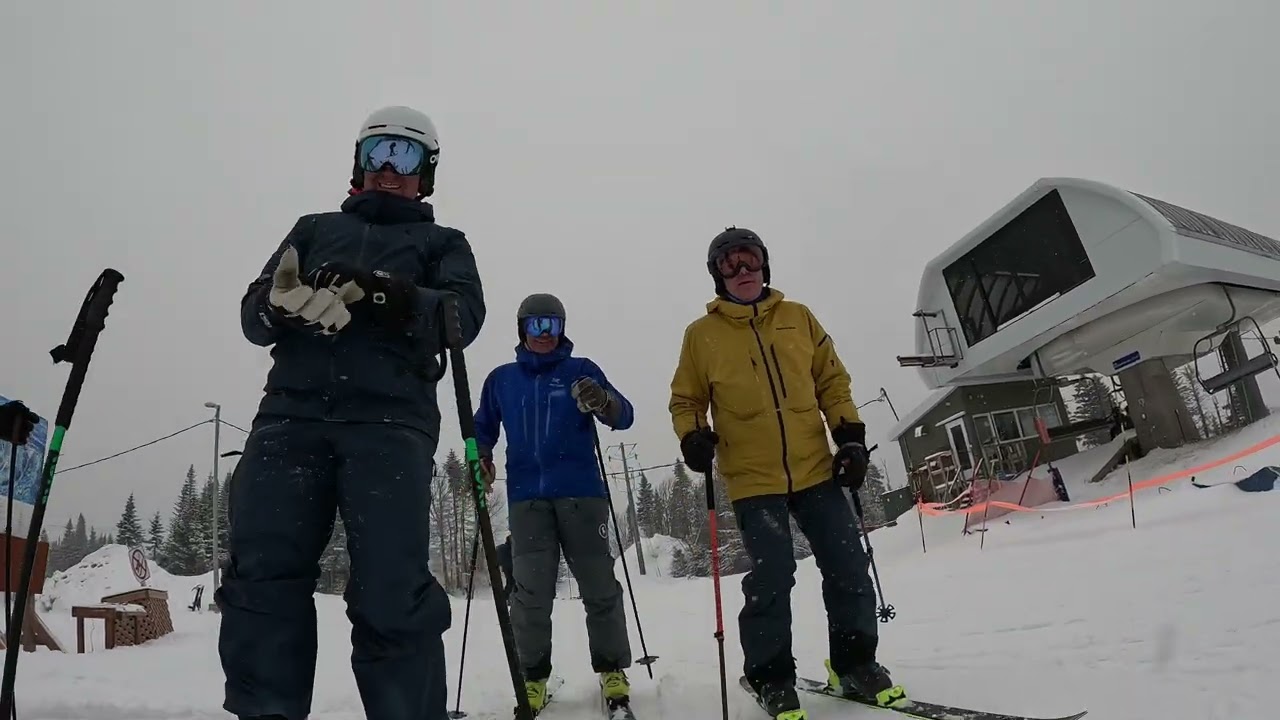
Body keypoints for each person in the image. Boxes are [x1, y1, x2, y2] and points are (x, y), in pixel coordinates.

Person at [217, 105, 485, 720]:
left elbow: (462, 319)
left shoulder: (443, 243)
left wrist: (388, 293)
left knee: (392, 588)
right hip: (289, 419)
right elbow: (252, 316)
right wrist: (279, 307)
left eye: (406, 156)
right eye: (378, 153)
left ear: (428, 172)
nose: (389, 168)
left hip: (389, 427)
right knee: (262, 577)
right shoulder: (312, 228)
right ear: (359, 163)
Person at [667, 227, 907, 720]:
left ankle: (855, 663)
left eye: (749, 259)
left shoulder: (798, 318)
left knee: (848, 566)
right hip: (754, 478)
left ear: (765, 264)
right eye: (730, 263)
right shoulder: (702, 335)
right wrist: (692, 435)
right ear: (717, 275)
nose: (742, 271)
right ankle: (771, 677)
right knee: (772, 577)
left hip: (815, 468)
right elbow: (687, 399)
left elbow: (831, 380)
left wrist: (851, 438)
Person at [473, 293, 636, 714]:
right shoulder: (502, 379)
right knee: (529, 593)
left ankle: (612, 669)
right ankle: (532, 677)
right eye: (536, 326)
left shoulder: (581, 371)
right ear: (522, 329)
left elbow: (624, 415)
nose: (545, 335)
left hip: (582, 494)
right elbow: (481, 429)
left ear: (563, 329)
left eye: (553, 325)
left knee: (599, 586)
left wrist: (602, 401)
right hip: (528, 500)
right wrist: (481, 461)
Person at [498, 534, 516, 603]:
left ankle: (506, 598)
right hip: (512, 568)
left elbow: (497, 558)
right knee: (512, 583)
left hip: (507, 568)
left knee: (510, 583)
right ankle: (506, 598)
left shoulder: (502, 548)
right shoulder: (512, 548)